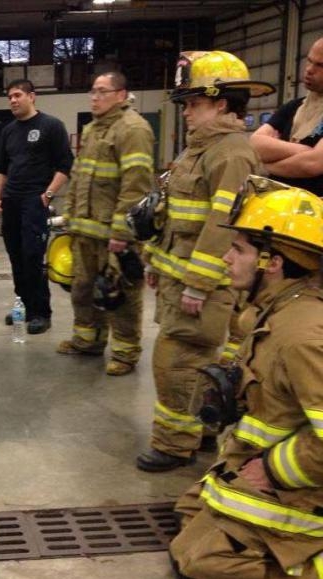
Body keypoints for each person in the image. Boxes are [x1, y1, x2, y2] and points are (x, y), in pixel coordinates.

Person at [170, 177, 323, 579]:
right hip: (258, 464)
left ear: (271, 262)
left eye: (238, 249)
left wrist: (273, 470)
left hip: (300, 483)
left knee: (205, 566)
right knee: (188, 512)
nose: (225, 257)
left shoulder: (304, 337)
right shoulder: (276, 310)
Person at [135, 51, 275, 472]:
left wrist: (198, 283)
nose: (187, 113)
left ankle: (175, 443)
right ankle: (202, 431)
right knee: (199, 361)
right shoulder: (201, 150)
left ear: (222, 103)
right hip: (182, 279)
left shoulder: (230, 154)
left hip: (203, 287)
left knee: (177, 361)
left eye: (194, 104)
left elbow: (223, 225)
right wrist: (157, 264)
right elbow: (177, 218)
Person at [57, 72, 154, 376]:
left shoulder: (133, 129)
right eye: (92, 91)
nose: (94, 97)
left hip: (114, 236)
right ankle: (88, 341)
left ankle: (126, 353)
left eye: (102, 91)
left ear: (121, 95)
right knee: (83, 289)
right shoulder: (91, 130)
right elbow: (78, 178)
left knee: (121, 294)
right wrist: (70, 216)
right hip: (85, 231)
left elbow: (135, 186)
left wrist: (122, 233)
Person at [0, 78, 74, 334]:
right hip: (11, 202)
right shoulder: (8, 131)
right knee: (16, 257)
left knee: (32, 257)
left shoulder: (51, 126)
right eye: (9, 97)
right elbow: (1, 169)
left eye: (17, 95)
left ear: (32, 96)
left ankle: (41, 312)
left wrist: (48, 194)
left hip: (34, 201)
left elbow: (65, 165)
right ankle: (24, 306)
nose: (13, 101)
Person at [250, 37, 323, 196]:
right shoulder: (294, 107)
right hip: (281, 206)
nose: (309, 69)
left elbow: (313, 164)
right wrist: (305, 150)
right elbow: (255, 145)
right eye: (309, 61)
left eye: (320, 65)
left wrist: (265, 166)